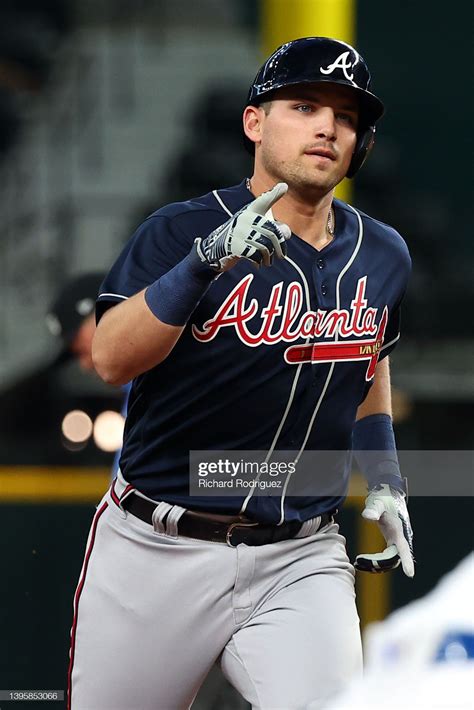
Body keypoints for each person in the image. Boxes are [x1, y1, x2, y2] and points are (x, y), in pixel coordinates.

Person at [68, 37, 415, 710]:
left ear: (360, 144)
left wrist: (387, 478)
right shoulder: (179, 232)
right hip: (155, 550)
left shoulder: (384, 253)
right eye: (305, 104)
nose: (328, 126)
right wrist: (203, 262)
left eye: (346, 117)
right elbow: (110, 359)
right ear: (255, 122)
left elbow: (369, 361)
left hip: (300, 556)